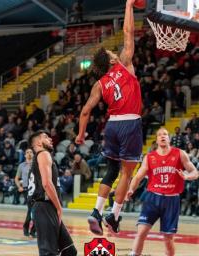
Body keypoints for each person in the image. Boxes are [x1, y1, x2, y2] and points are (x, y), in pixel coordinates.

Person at [75, 0, 142, 235]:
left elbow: (85, 111)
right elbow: (128, 32)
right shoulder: (124, 64)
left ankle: (95, 210)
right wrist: (129, 6)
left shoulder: (99, 84)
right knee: (127, 172)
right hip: (130, 122)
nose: (116, 52)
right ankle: (113, 216)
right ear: (113, 60)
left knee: (112, 170)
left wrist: (81, 135)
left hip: (111, 127)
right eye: (113, 53)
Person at [126, 128, 199, 256]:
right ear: (156, 139)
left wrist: (186, 177)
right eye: (159, 135)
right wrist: (131, 189)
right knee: (141, 232)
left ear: (169, 138)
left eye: (165, 134)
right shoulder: (149, 157)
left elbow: (195, 172)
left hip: (171, 200)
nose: (162, 136)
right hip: (152, 198)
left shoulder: (180, 154)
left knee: (168, 238)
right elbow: (138, 177)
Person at [28, 131, 77, 256]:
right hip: (45, 207)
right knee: (48, 253)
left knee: (69, 251)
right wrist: (59, 207)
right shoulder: (43, 154)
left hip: (44, 208)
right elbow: (47, 184)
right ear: (38, 142)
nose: (50, 138)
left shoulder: (38, 158)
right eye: (45, 137)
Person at [14, 148, 36, 237]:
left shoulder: (36, 165)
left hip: (36, 189)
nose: (29, 154)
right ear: (25, 155)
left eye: (31, 152)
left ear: (33, 154)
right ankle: (29, 229)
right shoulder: (21, 165)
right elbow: (16, 178)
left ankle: (31, 229)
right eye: (27, 152)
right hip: (26, 190)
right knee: (32, 209)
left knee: (35, 210)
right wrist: (19, 186)